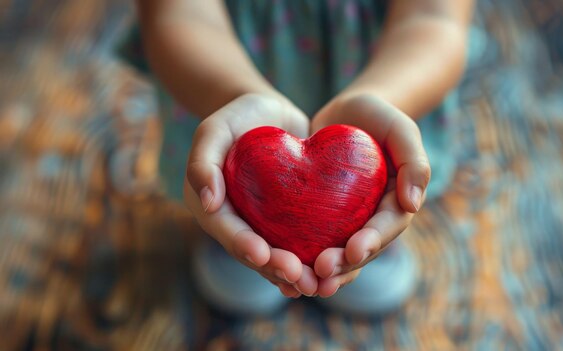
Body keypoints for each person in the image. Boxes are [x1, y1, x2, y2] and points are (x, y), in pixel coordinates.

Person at [121, 0, 474, 315]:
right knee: (218, 172)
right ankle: (240, 223)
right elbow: (178, 12)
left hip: (389, 69)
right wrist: (238, 95)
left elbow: (434, 16)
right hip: (219, 69)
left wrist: (380, 97)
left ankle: (362, 224)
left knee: (378, 169)